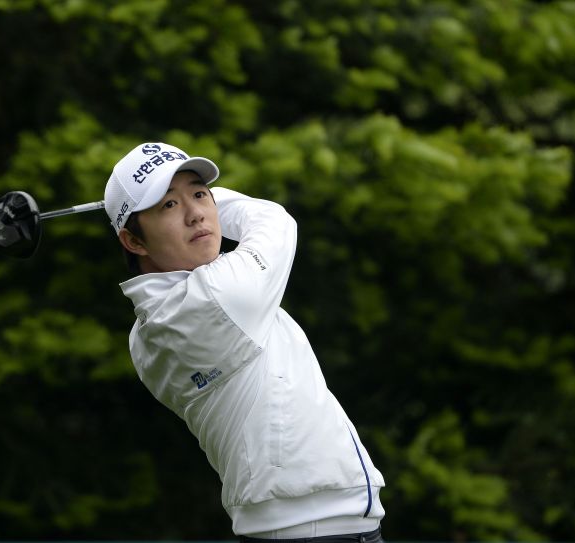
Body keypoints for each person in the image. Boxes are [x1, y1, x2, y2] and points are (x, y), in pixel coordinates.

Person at [104, 142, 386, 542]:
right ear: (133, 242)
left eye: (199, 195)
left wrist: (172, 198)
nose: (196, 213)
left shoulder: (146, 333)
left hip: (298, 527)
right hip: (316, 528)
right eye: (169, 206)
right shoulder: (219, 296)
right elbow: (273, 219)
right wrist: (211, 197)